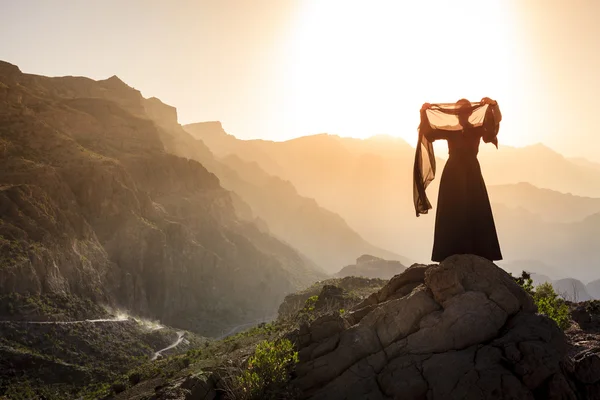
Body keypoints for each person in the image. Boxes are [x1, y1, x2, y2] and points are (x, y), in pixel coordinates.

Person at [414, 97, 502, 262]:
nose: (462, 115)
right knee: (452, 209)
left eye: (465, 111)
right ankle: (450, 252)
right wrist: (423, 113)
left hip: (471, 172)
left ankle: (477, 252)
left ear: (470, 112)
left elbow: (494, 123)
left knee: (474, 207)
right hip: (454, 173)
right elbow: (429, 134)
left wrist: (494, 105)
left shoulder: (477, 128)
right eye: (460, 112)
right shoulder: (451, 130)